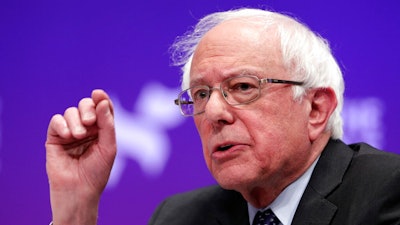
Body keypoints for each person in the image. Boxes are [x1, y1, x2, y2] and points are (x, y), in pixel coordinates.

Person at [45, 7, 400, 225]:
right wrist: (76, 210)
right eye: (201, 94)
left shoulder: (387, 191)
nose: (213, 112)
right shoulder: (180, 217)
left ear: (316, 109)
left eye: (243, 87)